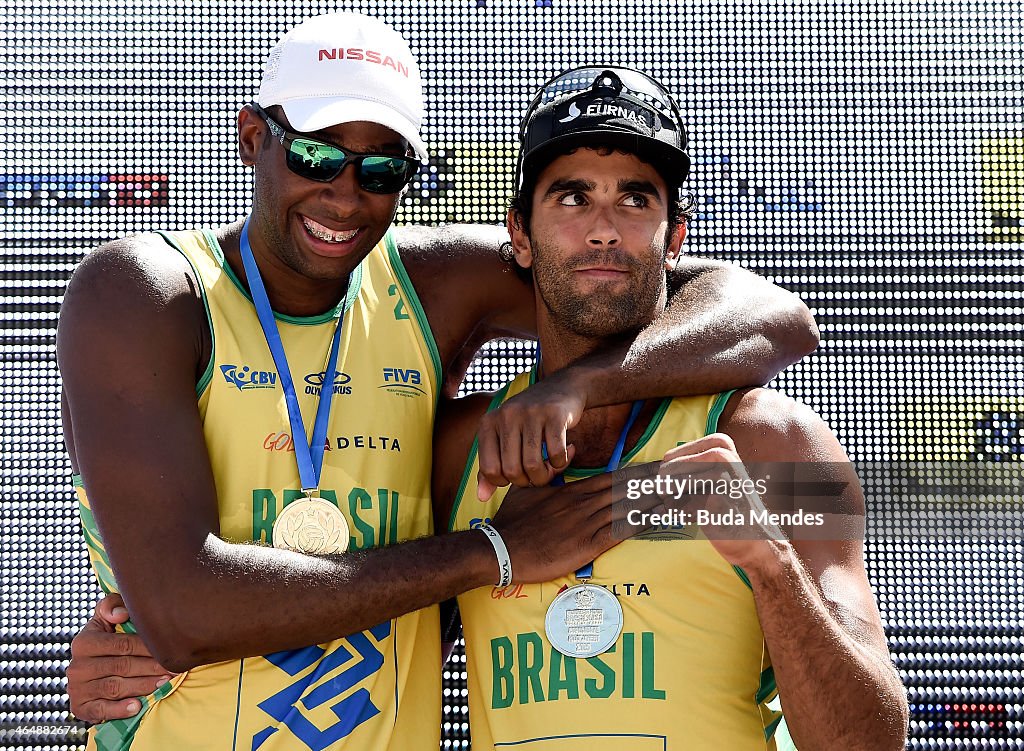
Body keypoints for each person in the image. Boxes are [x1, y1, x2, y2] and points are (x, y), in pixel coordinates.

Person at [58, 13, 816, 751]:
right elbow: (185, 611)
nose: (347, 194)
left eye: (384, 169)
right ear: (254, 138)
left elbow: (769, 312)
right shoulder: (148, 290)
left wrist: (578, 386)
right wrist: (496, 550)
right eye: (317, 157)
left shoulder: (427, 284)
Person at [434, 67, 908, 750]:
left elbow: (873, 742)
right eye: (572, 197)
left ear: (675, 236)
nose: (603, 229)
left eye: (635, 199)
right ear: (521, 234)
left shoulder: (774, 439)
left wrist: (772, 567)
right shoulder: (460, 448)